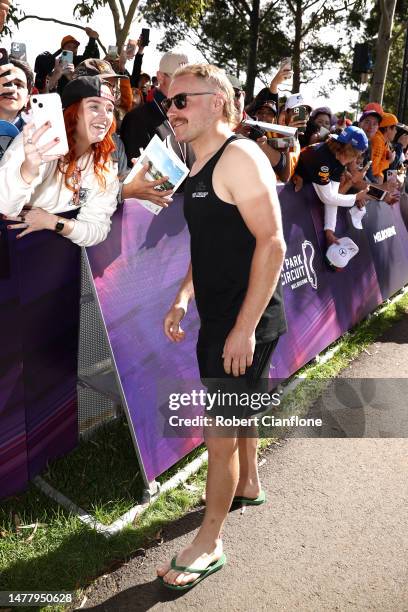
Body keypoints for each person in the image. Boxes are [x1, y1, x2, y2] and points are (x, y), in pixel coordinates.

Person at [158, 64, 287, 589]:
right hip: (218, 315)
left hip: (242, 321)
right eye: (168, 101)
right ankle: (250, 483)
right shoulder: (200, 162)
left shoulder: (240, 155)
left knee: (221, 434)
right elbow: (210, 244)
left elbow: (273, 242)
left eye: (182, 100)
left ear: (218, 102)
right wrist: (184, 296)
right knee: (240, 414)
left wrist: (244, 328)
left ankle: (209, 542)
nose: (172, 109)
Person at [0, 76, 120, 246]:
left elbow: (98, 230)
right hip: (14, 247)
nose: (105, 116)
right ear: (73, 111)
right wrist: (28, 170)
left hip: (60, 251)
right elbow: (4, 205)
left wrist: (51, 222)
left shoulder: (103, 162)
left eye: (109, 109)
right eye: (94, 106)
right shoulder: (40, 140)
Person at [294, 126, 369, 246]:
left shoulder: (338, 158)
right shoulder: (323, 159)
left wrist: (329, 231)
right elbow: (327, 197)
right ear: (347, 150)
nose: (354, 160)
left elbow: (333, 196)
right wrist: (357, 197)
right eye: (355, 156)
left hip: (306, 178)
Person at [120, 51, 194, 169]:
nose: (185, 85)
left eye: (189, 79)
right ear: (160, 77)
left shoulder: (190, 117)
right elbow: (137, 175)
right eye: (178, 78)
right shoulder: (137, 119)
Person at [36, 29, 100, 94]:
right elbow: (44, 88)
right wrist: (56, 74)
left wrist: (93, 40)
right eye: (69, 46)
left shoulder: (80, 61)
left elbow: (92, 58)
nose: (72, 49)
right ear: (63, 49)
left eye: (75, 47)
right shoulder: (55, 64)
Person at [0, 58, 33, 159]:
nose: (12, 89)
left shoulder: (33, 136)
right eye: (6, 83)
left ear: (27, 99)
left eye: (19, 85)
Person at [370, 112, 398, 182]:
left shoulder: (384, 142)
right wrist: (389, 161)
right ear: (388, 128)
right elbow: (372, 170)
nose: (396, 132)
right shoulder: (377, 140)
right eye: (395, 128)